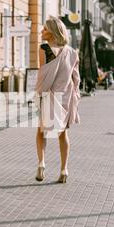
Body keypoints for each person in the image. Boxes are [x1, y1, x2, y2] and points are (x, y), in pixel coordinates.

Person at [35, 17, 80, 184]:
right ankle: (64, 169)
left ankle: (41, 164)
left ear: (53, 32)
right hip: (65, 96)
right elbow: (76, 78)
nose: (41, 31)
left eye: (45, 29)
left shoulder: (44, 49)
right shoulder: (72, 53)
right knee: (63, 134)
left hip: (48, 94)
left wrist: (39, 94)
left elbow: (43, 74)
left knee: (41, 131)